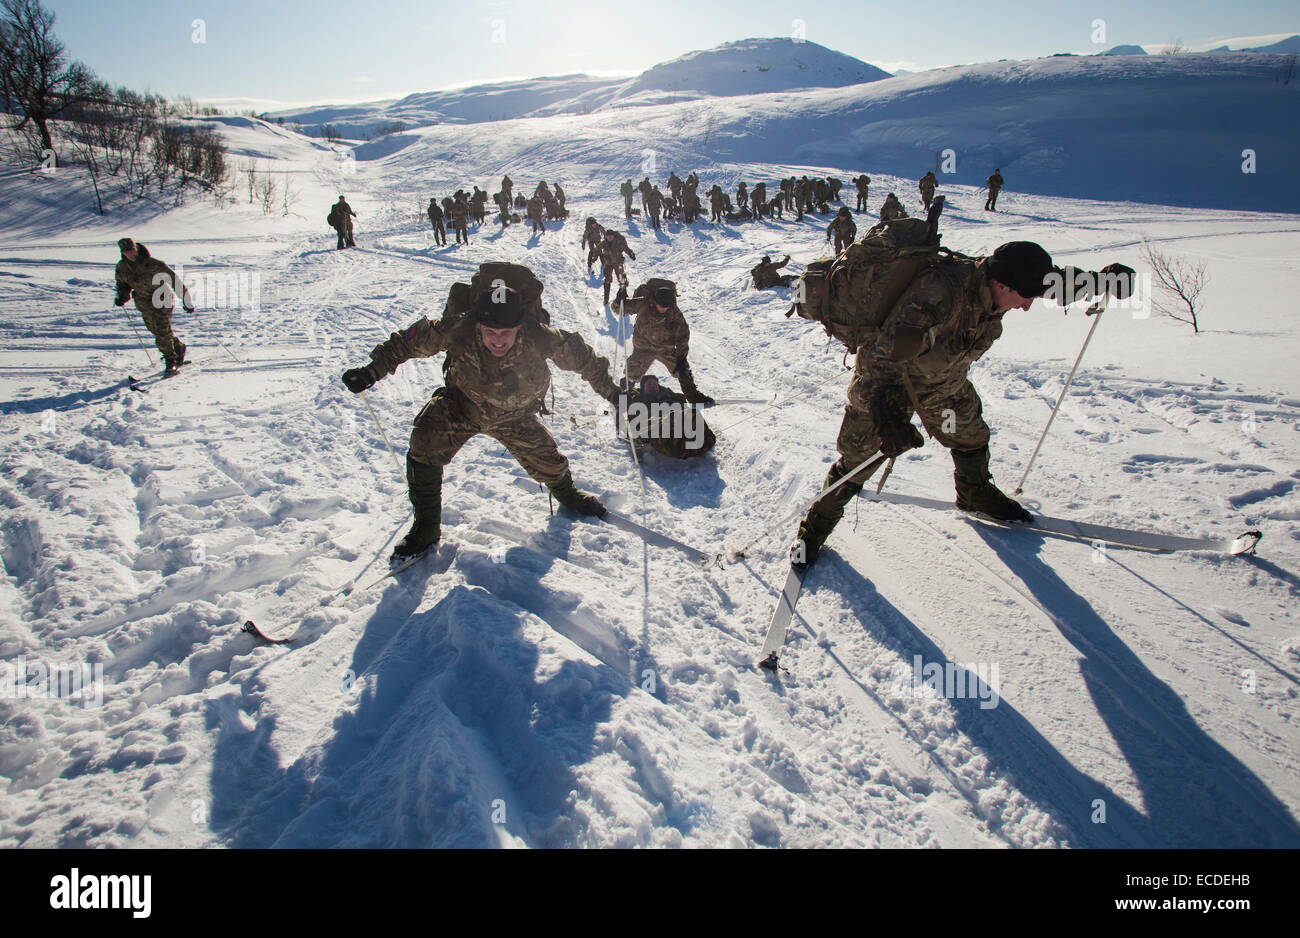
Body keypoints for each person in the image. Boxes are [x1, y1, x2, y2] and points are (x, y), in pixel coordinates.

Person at [792, 242, 1134, 565]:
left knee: (969, 435)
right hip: (890, 385)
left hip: (943, 387)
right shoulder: (937, 294)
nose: (1027, 305)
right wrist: (890, 420)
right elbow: (883, 361)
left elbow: (1050, 285)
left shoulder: (1007, 279)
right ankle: (813, 532)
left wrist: (1102, 281)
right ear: (1001, 284)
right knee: (858, 459)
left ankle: (974, 494)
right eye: (1023, 298)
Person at [340, 283, 622, 558]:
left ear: (519, 328)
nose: (497, 340)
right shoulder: (458, 328)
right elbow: (407, 342)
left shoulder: (541, 337)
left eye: (505, 333)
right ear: (478, 327)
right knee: (425, 439)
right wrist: (371, 371)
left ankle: (568, 494)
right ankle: (426, 527)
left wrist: (615, 394)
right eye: (490, 332)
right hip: (463, 405)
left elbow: (586, 360)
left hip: (514, 416)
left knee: (549, 461)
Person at [614, 282, 712, 405]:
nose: (664, 309)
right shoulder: (643, 303)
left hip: (665, 348)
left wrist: (681, 356)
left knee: (682, 370)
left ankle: (694, 397)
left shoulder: (674, 313)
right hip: (643, 347)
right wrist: (619, 301)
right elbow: (618, 309)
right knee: (632, 372)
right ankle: (623, 398)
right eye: (661, 305)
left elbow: (683, 336)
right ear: (654, 301)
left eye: (667, 306)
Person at [114, 237, 192, 376]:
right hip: (144, 303)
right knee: (157, 331)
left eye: (132, 250)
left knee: (161, 330)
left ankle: (171, 361)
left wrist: (186, 300)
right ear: (122, 252)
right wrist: (122, 297)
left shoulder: (153, 264)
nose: (130, 253)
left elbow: (174, 281)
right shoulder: (122, 267)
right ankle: (178, 348)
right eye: (126, 251)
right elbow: (122, 284)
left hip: (162, 299)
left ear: (136, 249)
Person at [616, 374, 716, 460]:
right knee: (673, 419)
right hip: (656, 427)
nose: (653, 386)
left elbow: (683, 407)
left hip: (677, 423)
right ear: (643, 389)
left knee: (693, 413)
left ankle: (702, 442)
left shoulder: (668, 395)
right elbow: (625, 418)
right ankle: (685, 445)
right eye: (649, 384)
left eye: (655, 384)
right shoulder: (638, 400)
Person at [598, 228, 636, 305]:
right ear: (606, 237)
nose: (610, 238)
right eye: (608, 236)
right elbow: (596, 249)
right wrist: (594, 257)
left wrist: (631, 254)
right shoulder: (604, 243)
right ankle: (606, 299)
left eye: (611, 236)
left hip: (618, 263)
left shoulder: (619, 243)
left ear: (613, 236)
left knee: (622, 280)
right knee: (607, 280)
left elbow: (626, 249)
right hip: (608, 264)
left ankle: (624, 296)